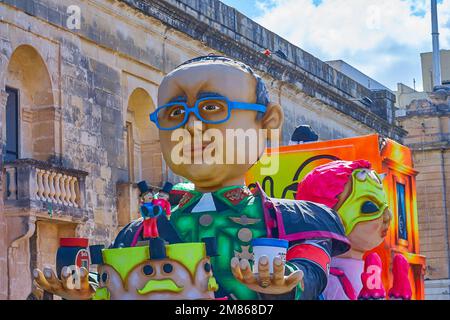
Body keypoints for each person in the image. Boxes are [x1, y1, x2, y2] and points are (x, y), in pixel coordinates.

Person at [33, 55, 350, 300]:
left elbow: (312, 270)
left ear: (267, 122)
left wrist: (285, 282)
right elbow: (121, 283)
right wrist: (89, 288)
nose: (192, 126)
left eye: (212, 107)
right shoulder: (138, 232)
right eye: (174, 114)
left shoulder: (294, 220)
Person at [296, 160, 392, 300]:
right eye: (370, 207)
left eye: (385, 206)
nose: (387, 217)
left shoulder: (367, 273)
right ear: (329, 218)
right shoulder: (329, 283)